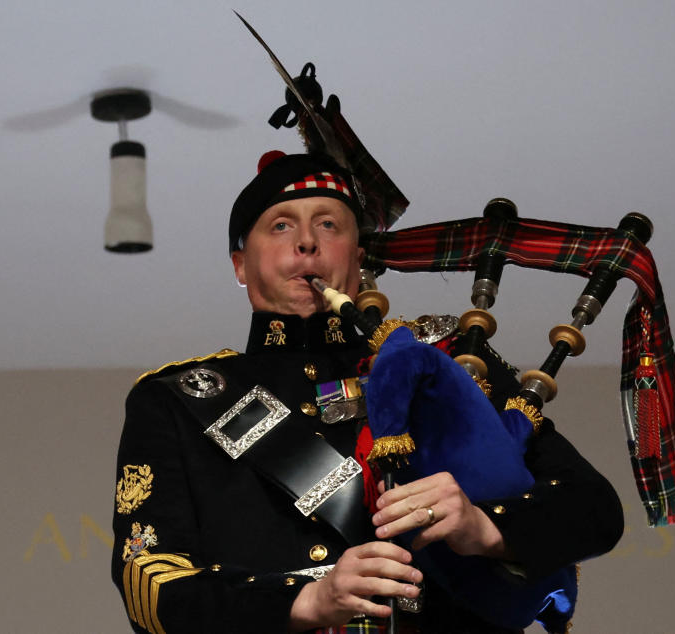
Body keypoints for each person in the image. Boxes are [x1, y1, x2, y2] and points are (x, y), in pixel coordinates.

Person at [111, 152, 624, 633]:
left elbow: (595, 509)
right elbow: (149, 581)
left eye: (328, 224)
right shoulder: (176, 400)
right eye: (281, 224)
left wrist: (484, 527)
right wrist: (307, 600)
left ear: (357, 259)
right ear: (240, 264)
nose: (307, 242)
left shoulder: (442, 361)